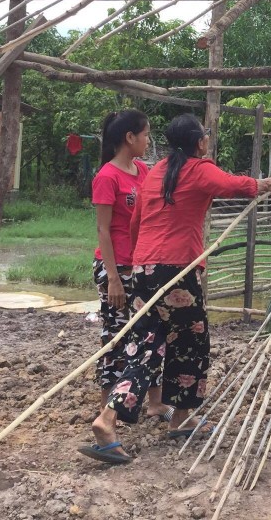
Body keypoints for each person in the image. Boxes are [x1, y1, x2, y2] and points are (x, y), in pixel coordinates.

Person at [79, 114, 271, 464]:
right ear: (200, 142)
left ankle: (107, 419)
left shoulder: (156, 170)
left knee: (146, 346)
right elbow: (232, 185)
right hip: (178, 271)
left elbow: (135, 223)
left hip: (144, 270)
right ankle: (181, 417)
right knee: (191, 343)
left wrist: (143, 259)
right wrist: (266, 184)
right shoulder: (197, 168)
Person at [88, 109, 170, 422]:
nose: (148, 141)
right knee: (115, 334)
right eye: (146, 134)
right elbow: (103, 230)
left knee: (149, 333)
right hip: (116, 267)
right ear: (130, 137)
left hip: (141, 265)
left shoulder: (143, 171)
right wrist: (112, 278)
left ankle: (155, 402)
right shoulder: (107, 177)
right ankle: (106, 405)